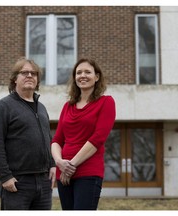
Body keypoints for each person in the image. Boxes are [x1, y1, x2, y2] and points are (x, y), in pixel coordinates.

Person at [0, 57, 56, 210]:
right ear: (14, 79)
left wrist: (52, 165)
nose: (30, 76)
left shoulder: (42, 108)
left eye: (34, 73)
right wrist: (5, 177)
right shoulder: (4, 106)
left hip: (44, 183)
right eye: (24, 72)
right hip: (17, 183)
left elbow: (47, 139)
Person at [51, 58, 116, 210]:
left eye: (88, 72)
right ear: (74, 77)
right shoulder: (68, 106)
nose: (83, 75)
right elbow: (57, 140)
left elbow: (98, 138)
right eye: (79, 72)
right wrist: (59, 162)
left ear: (97, 77)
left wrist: (71, 165)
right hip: (64, 172)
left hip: (88, 171)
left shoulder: (106, 102)